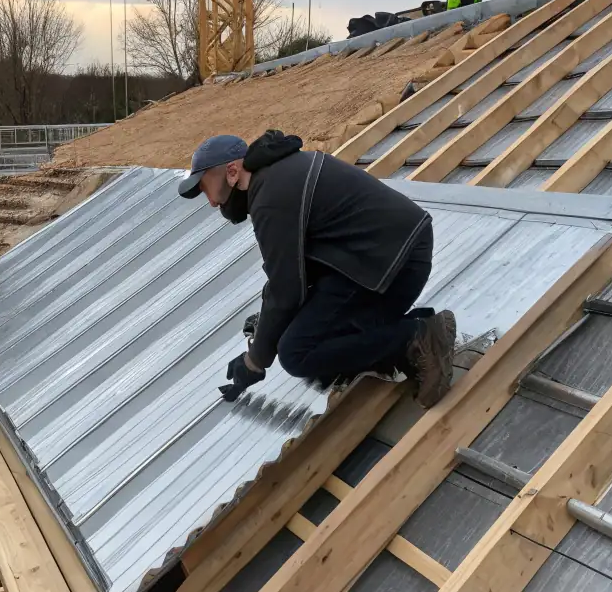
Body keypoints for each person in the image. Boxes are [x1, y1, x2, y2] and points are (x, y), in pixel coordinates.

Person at [178, 132, 456, 407]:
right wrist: (268, 328)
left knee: (298, 352)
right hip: (387, 259)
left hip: (392, 266)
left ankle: (416, 338)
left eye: (206, 189)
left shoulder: (271, 196)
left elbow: (286, 291)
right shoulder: (276, 176)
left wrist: (255, 362)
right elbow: (291, 275)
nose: (212, 202)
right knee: (304, 334)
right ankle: (406, 339)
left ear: (231, 171)